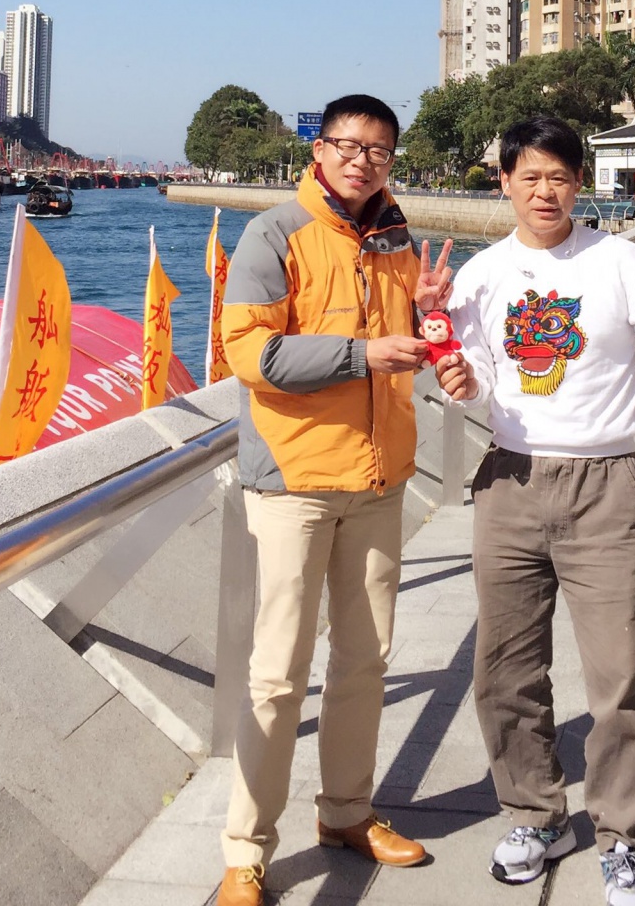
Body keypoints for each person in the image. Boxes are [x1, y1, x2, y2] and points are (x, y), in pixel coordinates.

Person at [434, 117, 635, 906]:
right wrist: (462, 385)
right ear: (505, 184)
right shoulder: (483, 274)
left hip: (604, 482)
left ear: (578, 183)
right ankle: (534, 812)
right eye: (529, 176)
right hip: (510, 479)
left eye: (559, 175)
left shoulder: (621, 261)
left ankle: (624, 839)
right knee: (506, 668)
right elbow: (481, 374)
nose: (544, 190)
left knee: (621, 673)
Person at [216, 94, 453, 906]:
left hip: (381, 479)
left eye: (379, 151)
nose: (362, 160)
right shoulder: (274, 232)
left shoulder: (395, 238)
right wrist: (360, 354)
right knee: (277, 675)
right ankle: (246, 851)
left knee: (365, 662)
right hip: (294, 482)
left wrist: (430, 319)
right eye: (347, 145)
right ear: (318, 151)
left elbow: (404, 347)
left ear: (392, 160)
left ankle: (347, 811)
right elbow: (246, 350)